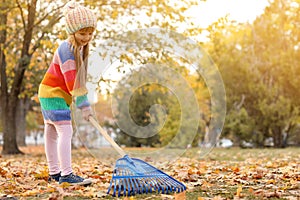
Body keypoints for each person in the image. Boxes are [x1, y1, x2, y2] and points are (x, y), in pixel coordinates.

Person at [38, 1, 97, 185]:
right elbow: (73, 81)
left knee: (51, 132)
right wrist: (84, 105)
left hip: (48, 93)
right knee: (65, 130)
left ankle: (54, 173)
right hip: (53, 94)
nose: (86, 37)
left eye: (89, 33)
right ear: (72, 31)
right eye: (82, 33)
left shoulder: (77, 49)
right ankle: (66, 174)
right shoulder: (67, 49)